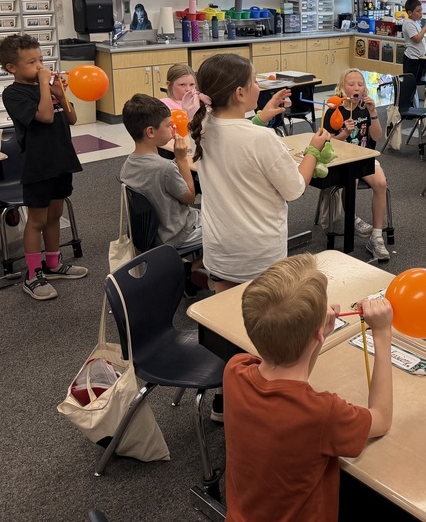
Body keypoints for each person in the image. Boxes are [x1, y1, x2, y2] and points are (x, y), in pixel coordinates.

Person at [223, 254, 394, 522]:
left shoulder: (235, 369)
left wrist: (317, 336)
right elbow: (381, 420)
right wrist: (382, 334)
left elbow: (290, 372)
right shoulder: (323, 413)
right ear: (316, 333)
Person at [189, 53, 331, 289]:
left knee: (225, 315)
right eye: (255, 81)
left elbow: (233, 139)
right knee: (263, 317)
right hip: (258, 253)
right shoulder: (262, 138)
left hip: (219, 248)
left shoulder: (199, 125)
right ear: (240, 93)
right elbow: (295, 188)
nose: (259, 86)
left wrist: (260, 118)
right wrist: (313, 151)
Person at [0, 33, 87, 301]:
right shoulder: (13, 93)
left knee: (54, 217)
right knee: (36, 220)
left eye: (41, 60)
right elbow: (46, 117)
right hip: (38, 166)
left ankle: (53, 264)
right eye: (31, 62)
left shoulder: (48, 89)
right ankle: (33, 274)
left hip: (61, 160)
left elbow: (70, 118)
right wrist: (42, 85)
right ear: (11, 68)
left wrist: (59, 92)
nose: (39, 66)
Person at [119, 94, 204, 287]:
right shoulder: (164, 168)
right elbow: (190, 197)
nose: (173, 128)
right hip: (177, 233)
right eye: (168, 125)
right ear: (150, 131)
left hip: (151, 234)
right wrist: (181, 159)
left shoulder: (128, 164)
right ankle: (192, 272)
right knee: (227, 228)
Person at [321, 69, 391, 262]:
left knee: (381, 184)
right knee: (351, 181)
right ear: (342, 87)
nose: (356, 88)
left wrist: (374, 113)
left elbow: (376, 137)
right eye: (351, 84)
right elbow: (327, 143)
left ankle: (376, 237)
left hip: (363, 156)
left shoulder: (365, 109)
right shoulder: (334, 110)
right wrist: (344, 134)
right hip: (340, 159)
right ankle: (351, 219)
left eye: (360, 84)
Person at [400, 0, 426, 103]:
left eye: (421, 10)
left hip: (418, 58)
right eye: (418, 11)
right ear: (410, 12)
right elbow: (417, 39)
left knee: (416, 83)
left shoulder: (416, 22)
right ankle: (406, 106)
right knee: (409, 84)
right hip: (411, 59)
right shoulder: (408, 23)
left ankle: (412, 104)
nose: (421, 13)